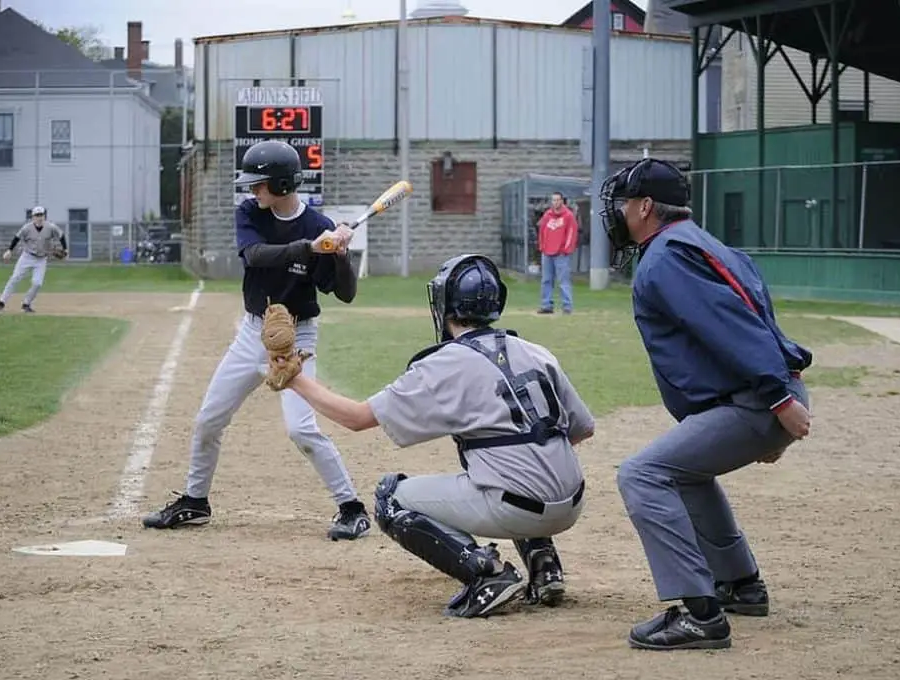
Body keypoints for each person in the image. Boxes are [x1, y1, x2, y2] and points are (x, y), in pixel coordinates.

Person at [278, 254, 596, 618]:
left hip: (515, 507)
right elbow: (583, 429)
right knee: (511, 461)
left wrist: (295, 380)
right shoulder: (534, 350)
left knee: (390, 498)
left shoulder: (444, 363)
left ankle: (487, 575)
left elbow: (356, 418)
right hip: (573, 502)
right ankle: (544, 566)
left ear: (445, 304)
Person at [598, 158, 814, 651]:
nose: (620, 213)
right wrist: (781, 391)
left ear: (647, 207)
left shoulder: (666, 256)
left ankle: (700, 614)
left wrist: (776, 399)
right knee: (684, 471)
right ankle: (740, 583)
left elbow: (730, 324)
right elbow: (759, 316)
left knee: (642, 473)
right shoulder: (703, 242)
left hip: (758, 396)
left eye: (626, 203)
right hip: (761, 393)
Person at [142, 140, 372, 541]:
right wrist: (310, 247)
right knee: (209, 419)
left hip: (297, 339)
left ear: (282, 184)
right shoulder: (251, 214)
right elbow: (255, 255)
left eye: (259, 184)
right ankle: (196, 501)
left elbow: (346, 293)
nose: (253, 191)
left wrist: (339, 255)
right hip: (253, 332)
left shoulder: (318, 225)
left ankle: (352, 508)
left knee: (301, 429)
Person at [0, 206, 66, 314]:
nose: (39, 217)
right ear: (33, 217)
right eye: (37, 215)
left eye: (41, 215)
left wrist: (65, 249)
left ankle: (26, 304)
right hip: (27, 257)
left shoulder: (51, 227)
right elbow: (17, 238)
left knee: (37, 283)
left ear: (45, 216)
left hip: (41, 259)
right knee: (15, 278)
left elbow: (61, 235)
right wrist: (9, 250)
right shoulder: (27, 228)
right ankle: (1, 303)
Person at [536, 192, 578, 315]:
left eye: (558, 200)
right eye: (553, 200)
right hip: (547, 252)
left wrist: (566, 249)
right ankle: (546, 305)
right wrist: (542, 246)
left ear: (562, 201)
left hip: (561, 253)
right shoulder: (547, 215)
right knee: (546, 280)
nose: (555, 202)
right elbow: (542, 232)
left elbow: (572, 233)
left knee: (563, 281)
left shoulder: (568, 216)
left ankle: (567, 306)